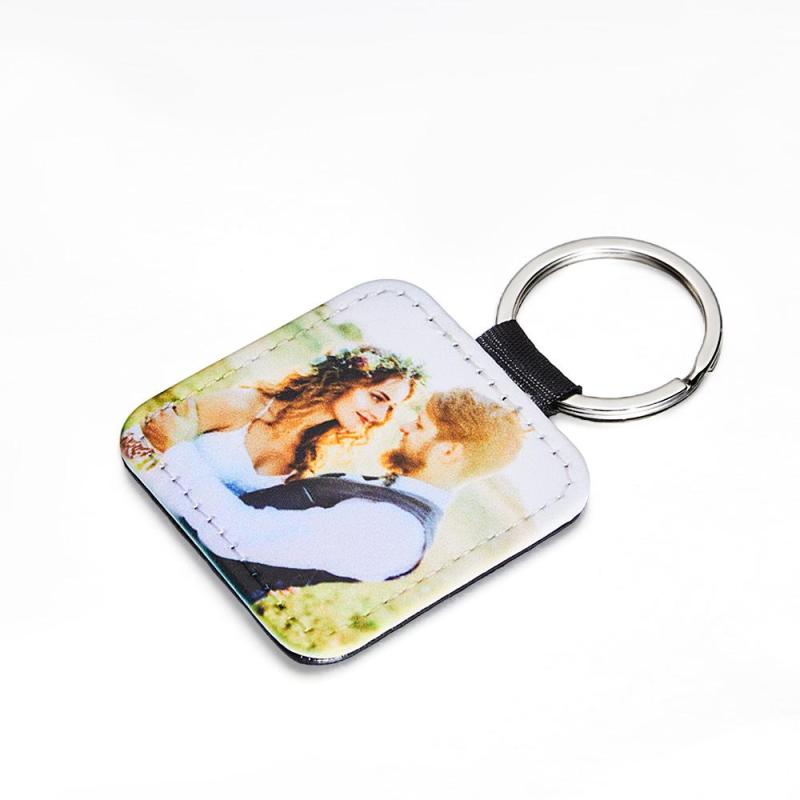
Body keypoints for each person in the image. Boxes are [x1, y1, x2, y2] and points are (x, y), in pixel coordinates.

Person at [154, 388, 526, 600]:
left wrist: (176, 449)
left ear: (448, 451)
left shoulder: (397, 531)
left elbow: (238, 535)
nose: (404, 427)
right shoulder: (390, 492)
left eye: (420, 425)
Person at [121, 347, 423, 496]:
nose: (380, 417)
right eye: (377, 397)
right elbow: (137, 440)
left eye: (390, 409)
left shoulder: (305, 460)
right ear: (346, 380)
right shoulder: (243, 406)